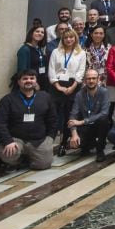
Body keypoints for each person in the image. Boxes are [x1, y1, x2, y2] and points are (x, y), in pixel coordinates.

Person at [0, 70, 59, 170]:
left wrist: (50, 138)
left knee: (43, 165)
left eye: (32, 78)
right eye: (25, 79)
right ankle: (19, 159)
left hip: (38, 140)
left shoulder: (45, 97)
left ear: (36, 81)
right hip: (16, 139)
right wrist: (8, 141)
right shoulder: (8, 100)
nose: (29, 81)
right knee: (9, 156)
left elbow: (53, 119)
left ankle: (28, 158)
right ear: (19, 82)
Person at [47, 27, 86, 155]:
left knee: (70, 115)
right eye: (66, 37)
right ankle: (48, 143)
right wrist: (58, 86)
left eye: (71, 37)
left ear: (75, 38)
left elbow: (81, 72)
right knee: (54, 115)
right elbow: (51, 70)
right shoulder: (56, 52)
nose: (69, 39)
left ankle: (64, 143)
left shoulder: (81, 53)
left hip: (73, 86)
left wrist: (73, 87)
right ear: (62, 39)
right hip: (57, 86)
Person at [67, 68, 111, 161]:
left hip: (98, 125)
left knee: (104, 121)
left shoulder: (104, 92)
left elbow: (104, 113)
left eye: (94, 78)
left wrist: (83, 121)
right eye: (88, 78)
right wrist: (74, 134)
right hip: (85, 127)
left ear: (98, 79)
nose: (91, 81)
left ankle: (100, 150)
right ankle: (87, 145)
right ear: (85, 80)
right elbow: (73, 115)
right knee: (75, 144)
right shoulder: (79, 94)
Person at [16, 25, 51, 93]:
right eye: (37, 31)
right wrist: (34, 85)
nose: (40, 33)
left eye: (42, 32)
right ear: (31, 33)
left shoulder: (38, 49)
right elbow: (22, 71)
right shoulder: (24, 49)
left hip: (42, 83)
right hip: (31, 85)